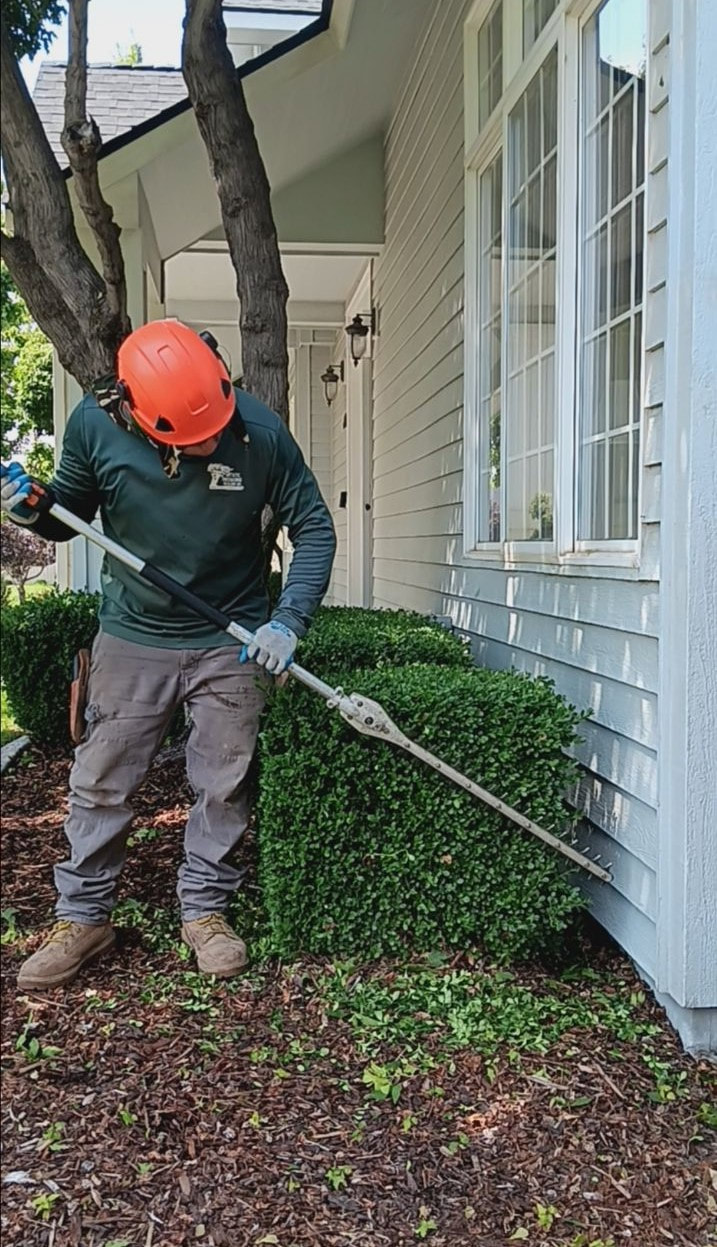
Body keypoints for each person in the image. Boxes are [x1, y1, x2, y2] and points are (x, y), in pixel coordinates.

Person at [1, 320, 336, 989]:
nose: (211, 440)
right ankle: (84, 915)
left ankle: (205, 909)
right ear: (134, 412)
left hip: (232, 637)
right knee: (101, 780)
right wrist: (32, 509)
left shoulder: (260, 433)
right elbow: (68, 515)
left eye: (214, 423)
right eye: (191, 437)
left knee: (223, 780)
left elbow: (315, 526)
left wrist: (286, 619)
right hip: (134, 633)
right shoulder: (94, 428)